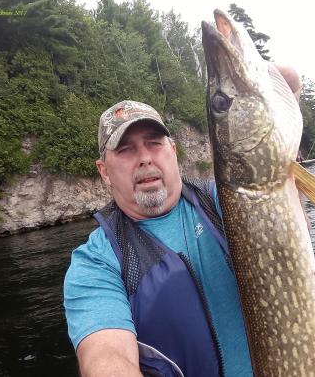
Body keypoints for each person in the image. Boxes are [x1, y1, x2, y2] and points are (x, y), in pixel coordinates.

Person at [64, 68, 302, 377]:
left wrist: (274, 88)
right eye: (126, 149)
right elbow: (106, 355)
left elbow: (288, 83)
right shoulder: (95, 263)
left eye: (154, 143)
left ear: (173, 151)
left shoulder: (231, 200)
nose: (145, 158)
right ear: (104, 171)